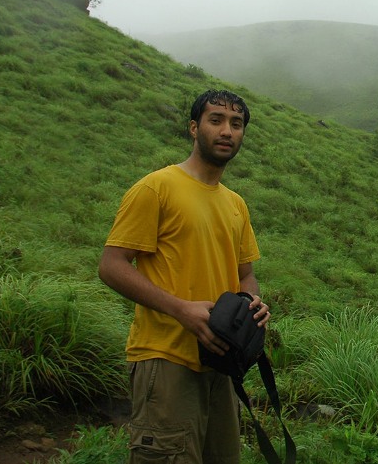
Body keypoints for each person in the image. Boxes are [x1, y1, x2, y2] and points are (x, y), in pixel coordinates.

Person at [99, 89, 270, 464]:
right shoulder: (156, 188)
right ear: (194, 128)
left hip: (221, 362)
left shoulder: (235, 203)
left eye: (236, 124)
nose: (227, 131)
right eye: (216, 120)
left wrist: (252, 304)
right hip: (166, 357)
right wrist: (180, 310)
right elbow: (111, 265)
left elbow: (246, 274)